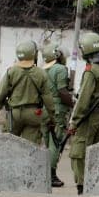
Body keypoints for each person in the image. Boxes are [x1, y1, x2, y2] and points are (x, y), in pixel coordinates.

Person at [67, 31, 99, 195]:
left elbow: (84, 99)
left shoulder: (91, 70)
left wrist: (74, 121)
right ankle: (97, 183)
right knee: (98, 151)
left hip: (90, 117)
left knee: (79, 152)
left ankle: (82, 185)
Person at [0, 40, 56, 146]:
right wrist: (52, 118)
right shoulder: (41, 73)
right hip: (34, 114)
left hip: (14, 114)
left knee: (8, 145)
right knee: (30, 147)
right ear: (33, 54)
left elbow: (1, 93)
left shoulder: (11, 71)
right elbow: (48, 98)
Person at [41, 42, 73, 188]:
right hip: (57, 110)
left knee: (47, 143)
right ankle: (51, 175)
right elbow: (62, 91)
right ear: (58, 56)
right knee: (56, 143)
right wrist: (73, 104)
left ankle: (44, 173)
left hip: (43, 108)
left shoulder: (42, 70)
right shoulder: (60, 69)